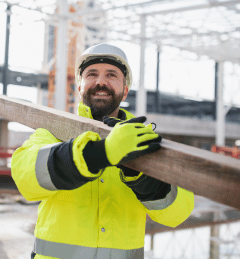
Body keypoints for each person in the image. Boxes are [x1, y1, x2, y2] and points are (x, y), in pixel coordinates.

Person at [11, 43, 194, 259]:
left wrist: (141, 175)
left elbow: (177, 213)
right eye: (91, 74)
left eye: (111, 75)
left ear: (125, 90)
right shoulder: (54, 132)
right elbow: (25, 177)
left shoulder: (143, 143)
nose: (100, 81)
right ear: (79, 88)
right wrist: (98, 153)